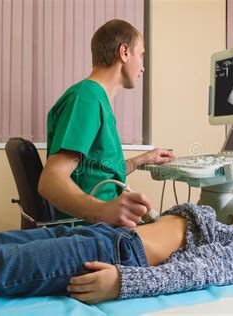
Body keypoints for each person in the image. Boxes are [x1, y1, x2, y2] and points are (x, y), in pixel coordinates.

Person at [0, 200, 233, 313]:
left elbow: (197, 271)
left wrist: (124, 282)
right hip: (110, 234)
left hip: (118, 253)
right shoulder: (223, 228)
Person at [38, 19, 175, 228]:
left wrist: (143, 159)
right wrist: (103, 212)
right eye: (141, 55)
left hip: (101, 226)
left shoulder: (96, 100)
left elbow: (97, 171)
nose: (143, 66)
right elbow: (50, 181)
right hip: (90, 231)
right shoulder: (86, 99)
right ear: (124, 52)